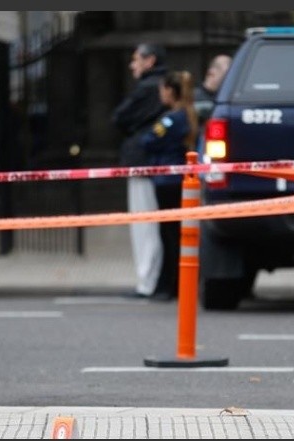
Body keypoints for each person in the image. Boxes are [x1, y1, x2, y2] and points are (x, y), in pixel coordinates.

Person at [112, 43, 168, 298]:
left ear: (150, 60)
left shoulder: (147, 88)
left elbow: (119, 117)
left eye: (136, 59)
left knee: (144, 224)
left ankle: (147, 281)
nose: (132, 65)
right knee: (155, 224)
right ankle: (155, 279)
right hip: (157, 162)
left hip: (142, 161)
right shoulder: (164, 84)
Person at [139, 70, 199, 301]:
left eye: (163, 90)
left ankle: (168, 286)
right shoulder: (187, 115)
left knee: (169, 235)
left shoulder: (169, 119)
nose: (160, 94)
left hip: (166, 181)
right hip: (179, 181)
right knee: (176, 234)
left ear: (170, 92)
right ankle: (175, 284)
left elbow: (149, 140)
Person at [193, 54, 232, 127]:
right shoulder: (193, 98)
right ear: (211, 73)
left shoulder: (228, 99)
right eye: (227, 74)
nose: (230, 78)